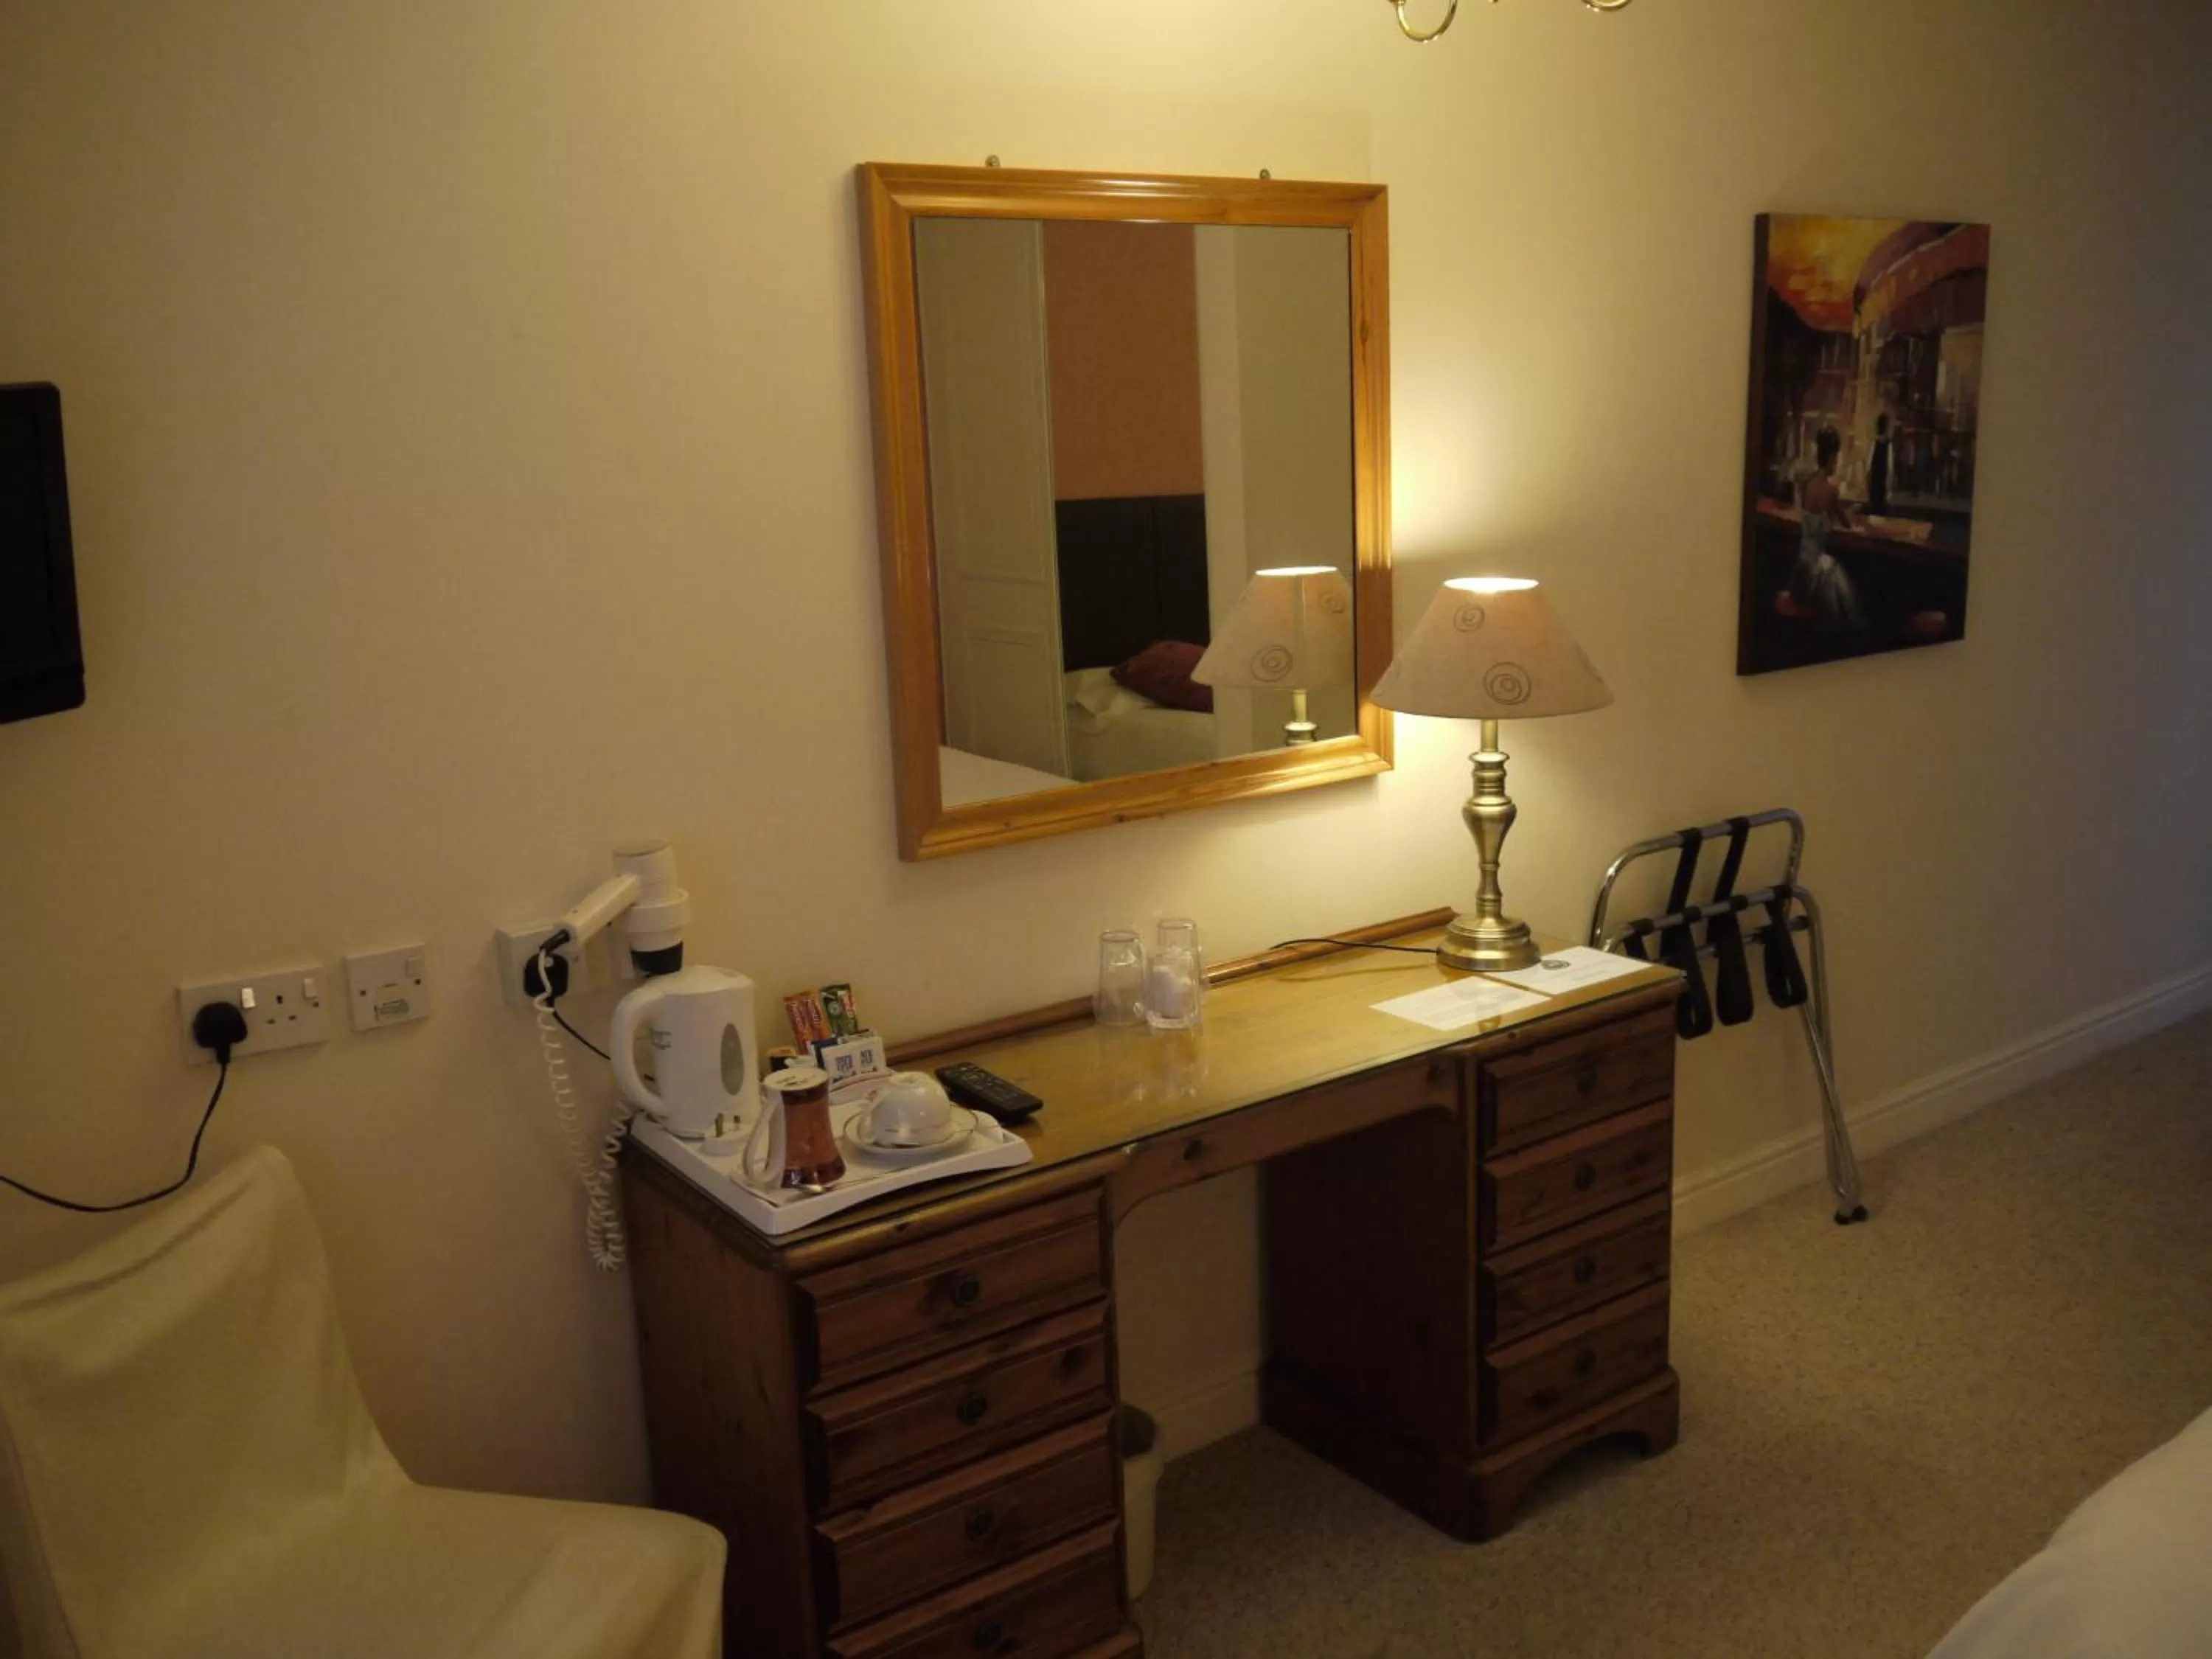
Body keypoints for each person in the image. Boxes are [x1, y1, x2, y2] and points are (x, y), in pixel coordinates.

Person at [1775, 425, 1865, 633]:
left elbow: (1813, 516)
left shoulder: (1806, 483)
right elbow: (1847, 524)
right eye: (1837, 457)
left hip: (1801, 568)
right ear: (1833, 457)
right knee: (1845, 601)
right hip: (1816, 574)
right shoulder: (1831, 491)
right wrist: (1851, 514)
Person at [1868, 412, 1893, 515]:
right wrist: (1889, 491)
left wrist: (1868, 488)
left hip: (1874, 488)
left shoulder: (1874, 444)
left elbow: (1868, 469)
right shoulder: (1889, 446)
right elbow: (1890, 469)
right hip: (1882, 488)